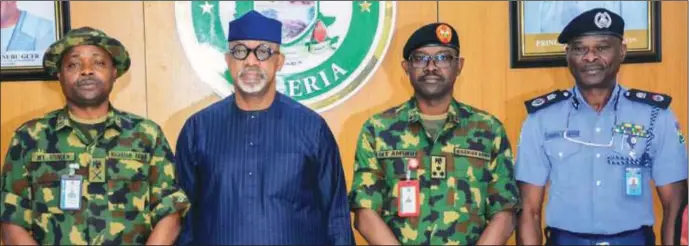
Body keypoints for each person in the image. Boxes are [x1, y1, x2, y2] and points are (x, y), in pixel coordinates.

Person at [174, 10, 354, 245]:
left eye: (263, 51)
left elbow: (336, 217)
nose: (250, 61)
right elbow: (183, 218)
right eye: (240, 51)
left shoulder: (311, 128)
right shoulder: (198, 129)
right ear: (228, 61)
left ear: (278, 61)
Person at [0, 27, 190, 245]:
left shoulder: (147, 135)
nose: (87, 70)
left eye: (99, 63)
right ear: (59, 75)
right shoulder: (30, 138)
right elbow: (11, 221)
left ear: (114, 72)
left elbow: (170, 214)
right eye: (74, 64)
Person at [516, 8, 688, 245]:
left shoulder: (656, 115)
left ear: (622, 52)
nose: (590, 57)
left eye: (602, 47)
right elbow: (528, 209)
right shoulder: (541, 118)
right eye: (580, 48)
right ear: (568, 55)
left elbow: (676, 206)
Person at [348, 22, 521, 245]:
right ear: (406, 67)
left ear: (459, 66)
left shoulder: (488, 129)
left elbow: (505, 211)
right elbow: (364, 211)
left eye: (443, 58)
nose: (431, 67)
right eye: (420, 58)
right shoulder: (378, 129)